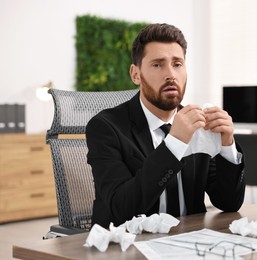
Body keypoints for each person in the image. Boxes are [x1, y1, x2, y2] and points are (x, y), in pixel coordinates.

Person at [86, 23, 246, 228]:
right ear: (136, 74)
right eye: (157, 65)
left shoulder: (198, 124)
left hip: (190, 242)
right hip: (129, 247)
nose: (170, 74)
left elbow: (229, 203)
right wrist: (175, 143)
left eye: (177, 64)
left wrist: (227, 146)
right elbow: (121, 209)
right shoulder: (105, 127)